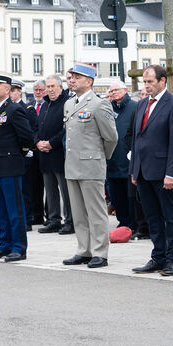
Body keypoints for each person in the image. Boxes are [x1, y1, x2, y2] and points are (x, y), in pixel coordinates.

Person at [129, 65, 173, 277]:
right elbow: (136, 139)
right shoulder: (142, 104)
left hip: (163, 172)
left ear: (162, 81)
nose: (146, 86)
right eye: (144, 82)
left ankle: (172, 260)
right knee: (152, 217)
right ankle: (158, 256)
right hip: (143, 171)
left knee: (170, 217)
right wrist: (134, 169)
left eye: (150, 82)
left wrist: (171, 174)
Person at [60, 64, 120, 268]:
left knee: (96, 212)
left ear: (89, 81)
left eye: (77, 77)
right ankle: (83, 250)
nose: (72, 80)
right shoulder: (69, 104)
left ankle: (100, 252)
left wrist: (100, 157)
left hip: (91, 165)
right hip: (72, 165)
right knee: (78, 213)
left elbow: (111, 137)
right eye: (71, 76)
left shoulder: (99, 104)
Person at [0, 75, 35, 262]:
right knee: (0, 209)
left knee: (14, 210)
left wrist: (17, 154)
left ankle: (19, 248)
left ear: (7, 89)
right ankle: (4, 244)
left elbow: (27, 137)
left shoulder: (14, 109)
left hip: (10, 166)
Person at [35, 75, 71, 235]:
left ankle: (70, 221)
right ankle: (54, 220)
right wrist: (37, 142)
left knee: (66, 191)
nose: (50, 90)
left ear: (60, 87)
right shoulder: (45, 105)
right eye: (48, 87)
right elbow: (37, 127)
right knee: (50, 191)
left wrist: (51, 143)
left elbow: (66, 129)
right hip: (44, 154)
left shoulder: (67, 103)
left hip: (59, 154)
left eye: (53, 86)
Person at [104, 80, 137, 242]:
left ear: (125, 90)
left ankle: (133, 225)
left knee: (131, 196)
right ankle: (122, 223)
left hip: (128, 159)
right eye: (111, 91)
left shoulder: (134, 107)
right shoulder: (108, 108)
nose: (114, 93)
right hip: (112, 159)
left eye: (117, 90)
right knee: (116, 196)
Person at [16, 81, 44, 227]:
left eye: (40, 90)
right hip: (20, 154)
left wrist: (30, 147)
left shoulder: (28, 109)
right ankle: (31, 215)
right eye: (35, 90)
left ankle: (34, 215)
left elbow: (32, 130)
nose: (38, 92)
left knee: (32, 186)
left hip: (33, 152)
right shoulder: (29, 105)